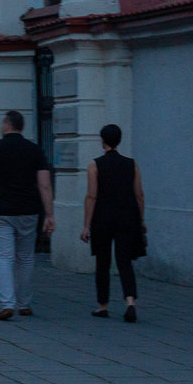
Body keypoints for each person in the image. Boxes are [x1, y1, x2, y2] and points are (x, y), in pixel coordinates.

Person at [0, 110, 53, 321]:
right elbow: (44, 185)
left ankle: (7, 303)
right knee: (25, 257)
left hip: (1, 210)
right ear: (21, 126)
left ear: (6, 125)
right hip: (29, 209)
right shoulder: (34, 150)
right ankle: (24, 303)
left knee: (4, 257)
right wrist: (49, 214)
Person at [81, 123, 145, 322]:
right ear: (119, 141)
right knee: (124, 261)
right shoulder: (132, 164)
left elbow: (91, 196)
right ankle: (130, 302)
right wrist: (141, 220)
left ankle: (103, 306)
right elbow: (139, 195)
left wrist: (86, 225)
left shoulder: (94, 165)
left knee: (103, 261)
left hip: (103, 218)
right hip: (127, 217)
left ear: (102, 141)